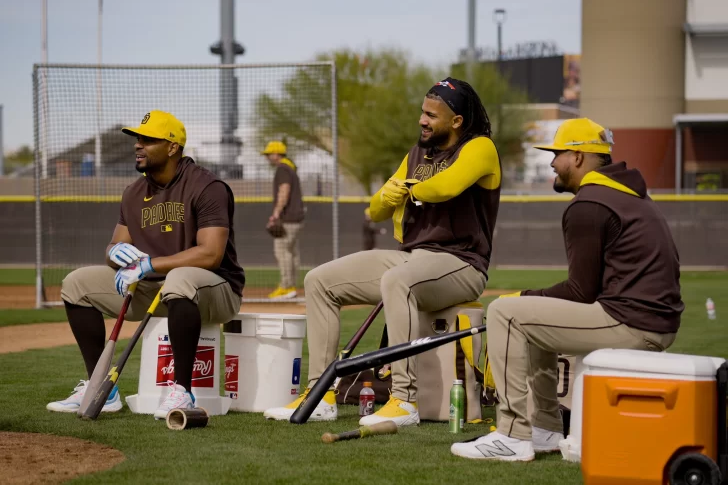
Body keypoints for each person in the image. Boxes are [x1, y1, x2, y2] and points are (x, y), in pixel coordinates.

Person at [264, 77, 502, 426]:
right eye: (422, 112)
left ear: (457, 122)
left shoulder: (480, 147)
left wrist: (407, 188)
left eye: (432, 115)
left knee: (397, 280)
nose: (422, 120)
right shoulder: (418, 153)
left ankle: (404, 401)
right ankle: (321, 395)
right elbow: (375, 209)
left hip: (462, 263)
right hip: (413, 257)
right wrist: (391, 194)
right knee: (319, 280)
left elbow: (445, 187)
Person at [451, 118, 684, 461]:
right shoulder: (630, 193)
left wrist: (524, 298)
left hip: (633, 325)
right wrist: (532, 301)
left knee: (504, 311)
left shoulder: (590, 203)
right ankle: (545, 429)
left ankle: (512, 435)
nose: (551, 162)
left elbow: (580, 292)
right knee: (529, 318)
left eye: (557, 153)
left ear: (577, 157)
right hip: (652, 322)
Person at [46, 110, 245, 420]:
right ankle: (102, 388)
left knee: (179, 278)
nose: (138, 145)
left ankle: (182, 391)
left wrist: (150, 264)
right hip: (154, 290)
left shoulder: (207, 186)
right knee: (76, 284)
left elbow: (210, 255)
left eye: (148, 140)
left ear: (172, 147)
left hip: (215, 292)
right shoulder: (134, 192)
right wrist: (115, 253)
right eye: (137, 139)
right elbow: (115, 244)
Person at [261, 141, 305, 300]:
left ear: (276, 154)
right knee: (292, 253)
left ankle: (286, 287)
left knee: (282, 252)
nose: (267, 158)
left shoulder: (282, 169)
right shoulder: (291, 168)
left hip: (287, 219)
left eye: (268, 154)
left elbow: (284, 192)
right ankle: (291, 285)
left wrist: (276, 214)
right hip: (297, 219)